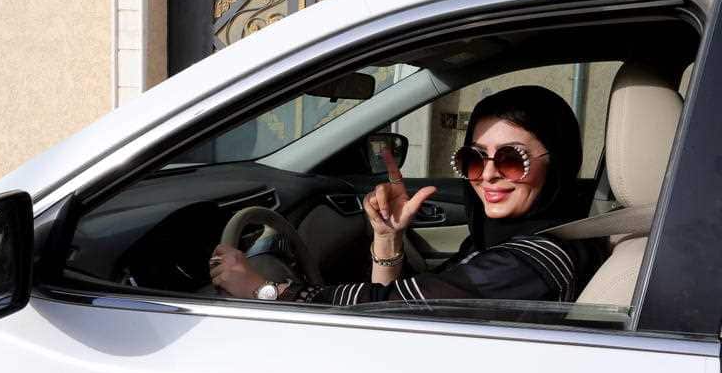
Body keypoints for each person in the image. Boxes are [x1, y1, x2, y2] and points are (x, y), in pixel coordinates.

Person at [210, 85, 609, 305]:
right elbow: (397, 306)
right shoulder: (507, 238)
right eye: (473, 159)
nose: (487, 175)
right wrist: (387, 237)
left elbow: (391, 303)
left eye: (510, 159)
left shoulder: (536, 260)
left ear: (555, 162)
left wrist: (262, 290)